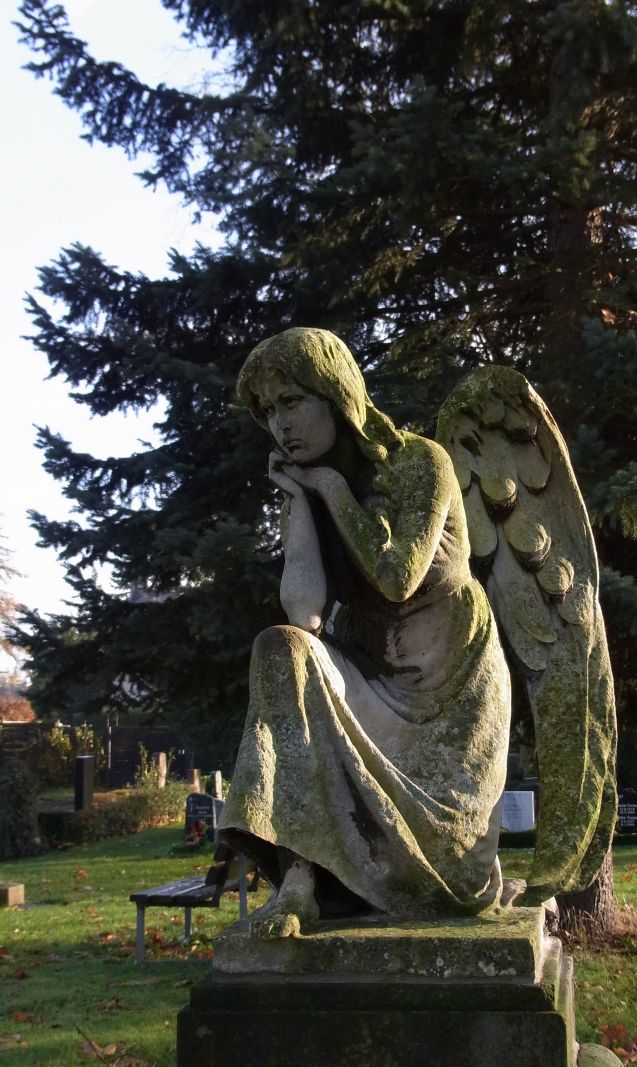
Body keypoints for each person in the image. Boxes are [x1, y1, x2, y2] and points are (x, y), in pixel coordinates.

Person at [219, 327, 511, 937]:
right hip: (369, 674)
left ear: (337, 395)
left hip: (450, 687)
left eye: (292, 401)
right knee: (280, 648)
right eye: (268, 411)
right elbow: (304, 615)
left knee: (459, 878)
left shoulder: (421, 463)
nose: (280, 424)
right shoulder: (306, 484)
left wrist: (330, 489)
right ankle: (299, 884)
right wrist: (302, 503)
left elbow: (397, 577)